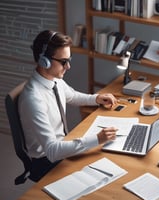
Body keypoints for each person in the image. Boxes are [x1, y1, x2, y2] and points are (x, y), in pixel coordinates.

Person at [18, 30, 118, 181]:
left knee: (108, 161)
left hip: (62, 147)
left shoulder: (54, 80)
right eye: (64, 61)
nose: (68, 66)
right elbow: (52, 151)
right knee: (100, 174)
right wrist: (97, 138)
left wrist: (97, 98)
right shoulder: (33, 99)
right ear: (44, 60)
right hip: (47, 161)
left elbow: (72, 96)